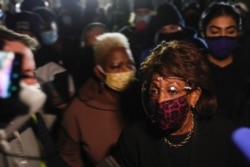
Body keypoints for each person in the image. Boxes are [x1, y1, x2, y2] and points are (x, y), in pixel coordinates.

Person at [104, 40, 249, 167]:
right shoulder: (133, 139)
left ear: (194, 95)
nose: (161, 100)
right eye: (154, 91)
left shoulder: (224, 135)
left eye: (172, 91)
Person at [58, 32, 142, 167]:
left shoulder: (145, 98)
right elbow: (69, 158)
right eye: (116, 67)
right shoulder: (78, 111)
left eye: (130, 64)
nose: (126, 71)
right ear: (99, 71)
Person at [0, 26, 68, 167]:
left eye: (32, 72)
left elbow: (53, 158)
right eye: (24, 73)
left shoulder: (29, 113)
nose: (34, 82)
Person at [199, 2, 250, 121]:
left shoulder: (247, 69)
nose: (223, 37)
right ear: (203, 33)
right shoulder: (192, 69)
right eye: (215, 32)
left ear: (239, 32)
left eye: (230, 31)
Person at [140, 2, 207, 63]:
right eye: (163, 30)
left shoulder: (198, 45)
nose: (168, 32)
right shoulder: (149, 54)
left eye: (173, 28)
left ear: (182, 28)